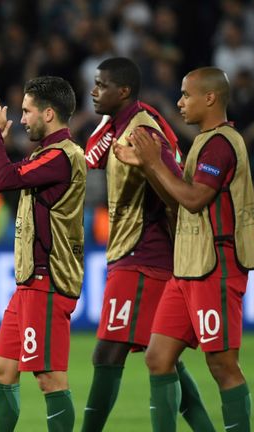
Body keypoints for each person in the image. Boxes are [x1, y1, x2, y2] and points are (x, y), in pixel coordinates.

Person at [114, 67, 254, 432]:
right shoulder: (203, 141)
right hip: (187, 268)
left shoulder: (221, 144)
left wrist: (153, 162)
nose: (179, 102)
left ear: (210, 98)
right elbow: (178, 201)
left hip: (216, 268)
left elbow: (195, 200)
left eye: (186, 95)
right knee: (158, 358)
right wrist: (148, 168)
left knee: (223, 366)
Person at [81, 57, 214, 432]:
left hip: (144, 255)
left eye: (101, 85)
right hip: (132, 253)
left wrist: (149, 165)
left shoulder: (144, 133)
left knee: (107, 353)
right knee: (163, 357)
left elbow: (179, 197)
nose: (94, 91)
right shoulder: (122, 126)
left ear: (123, 91)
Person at [0, 77, 86, 432]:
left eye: (27, 111)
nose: (22, 119)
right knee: (2, 370)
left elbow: (7, 179)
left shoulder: (63, 156)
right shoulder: (44, 155)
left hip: (49, 281)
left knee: (49, 378)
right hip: (29, 281)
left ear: (49, 113)